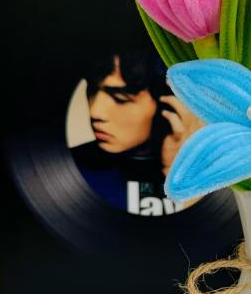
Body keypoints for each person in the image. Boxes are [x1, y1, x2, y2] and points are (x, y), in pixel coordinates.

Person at [70, 50, 202, 215]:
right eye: (92, 90)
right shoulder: (74, 166)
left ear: (168, 104)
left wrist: (179, 172)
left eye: (120, 98)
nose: (95, 112)